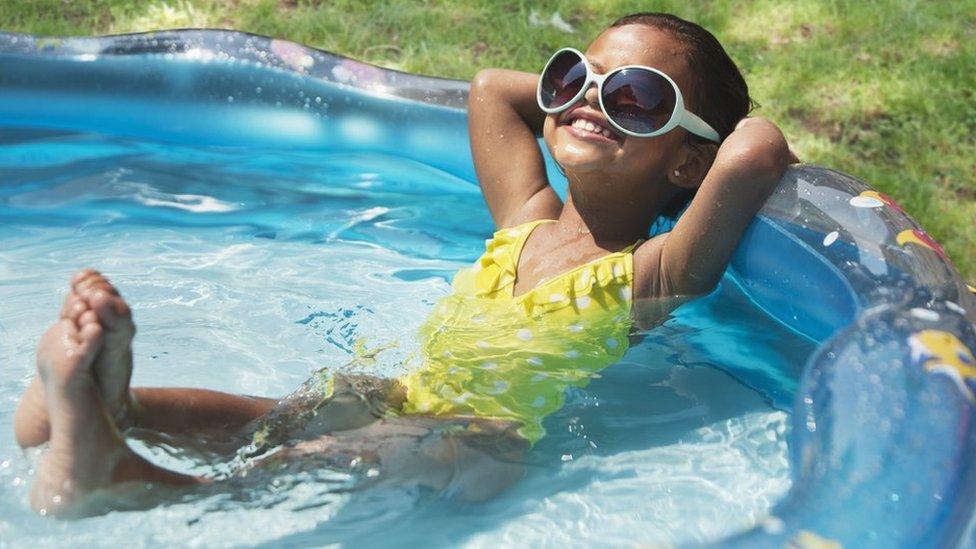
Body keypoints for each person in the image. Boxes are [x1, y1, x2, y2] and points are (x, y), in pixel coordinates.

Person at [14, 12, 790, 517]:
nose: (589, 101)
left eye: (638, 99)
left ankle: (134, 485)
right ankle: (111, 403)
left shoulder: (650, 274)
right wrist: (599, 99)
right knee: (296, 408)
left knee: (337, 450)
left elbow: (754, 146)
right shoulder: (525, 219)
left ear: (689, 162)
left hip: (481, 439)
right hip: (404, 392)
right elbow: (490, 91)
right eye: (573, 80)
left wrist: (687, 129)